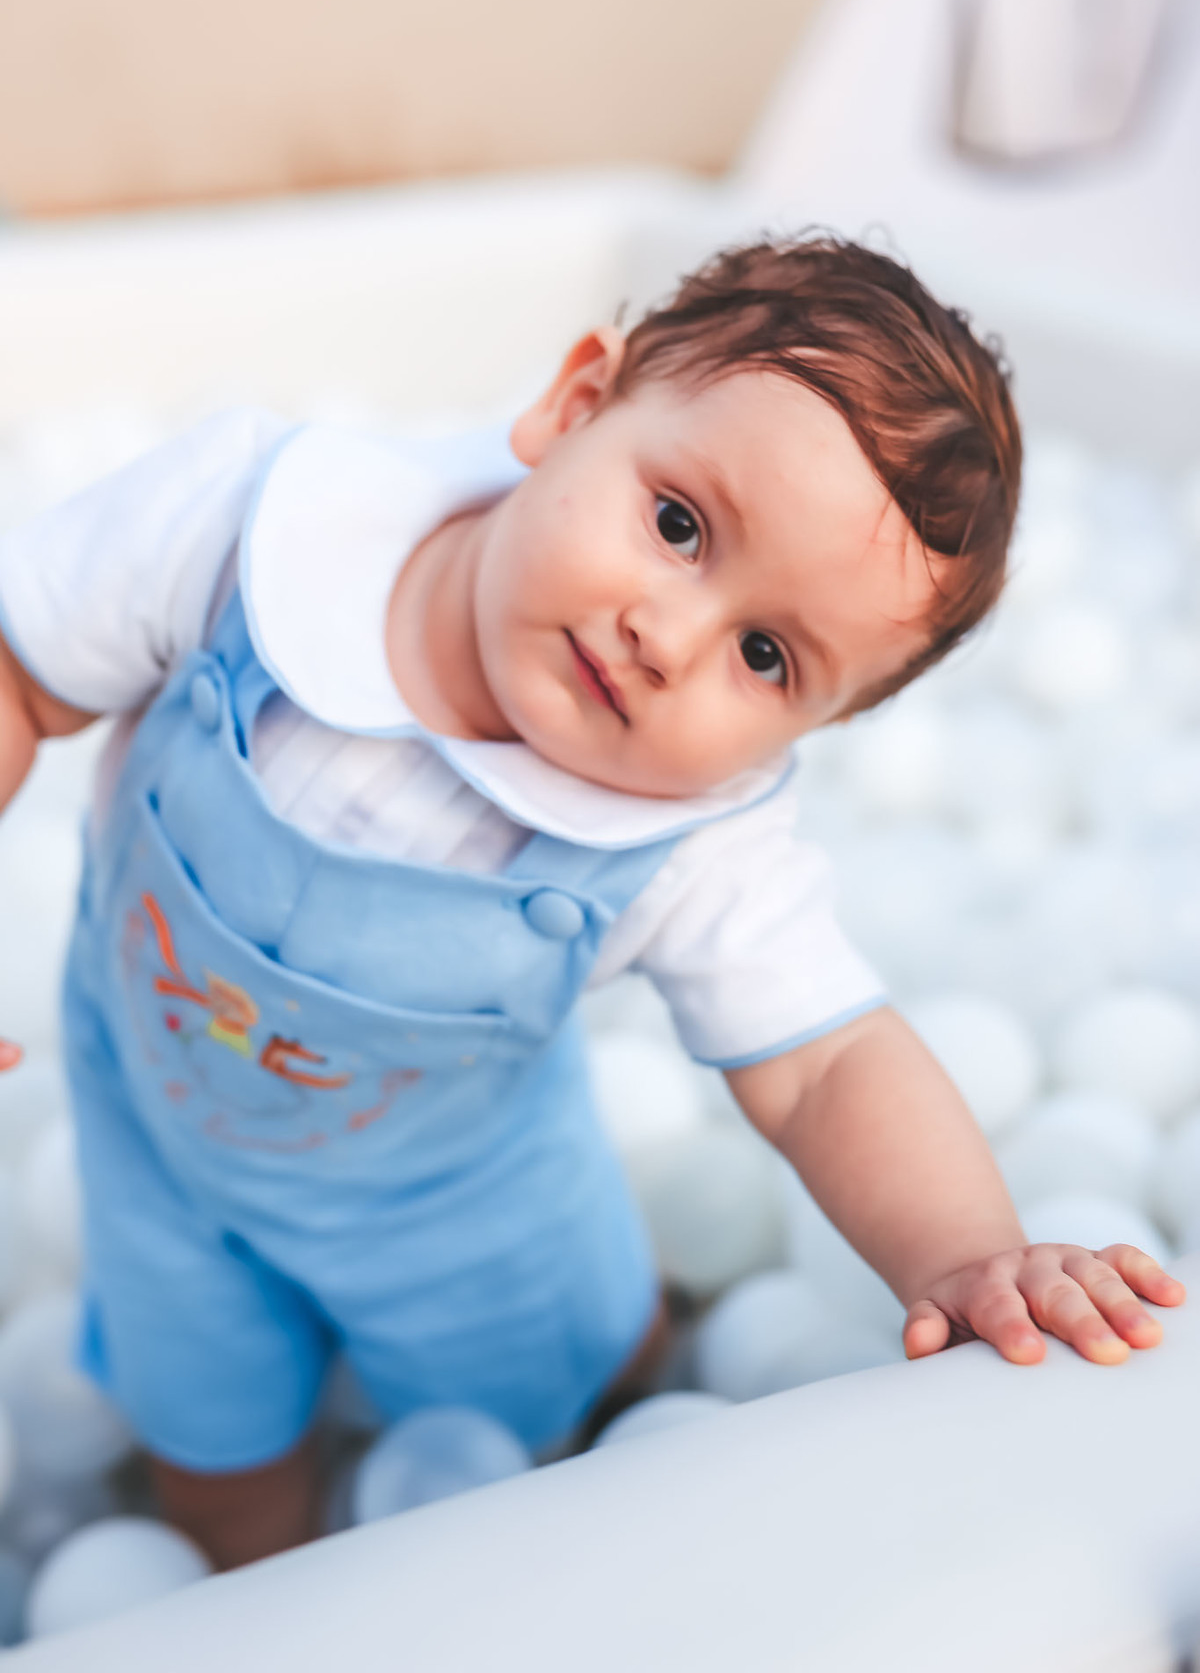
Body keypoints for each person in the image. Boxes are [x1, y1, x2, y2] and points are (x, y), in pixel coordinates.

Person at [0, 237, 1183, 1569]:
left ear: (812, 728)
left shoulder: (690, 840)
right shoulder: (252, 530)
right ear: (574, 410)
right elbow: (19, 673)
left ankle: (635, 1379)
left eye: (766, 655)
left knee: (581, 1439)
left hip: (451, 1193)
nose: (667, 641)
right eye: (678, 525)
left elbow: (830, 1061)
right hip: (157, 1149)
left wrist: (970, 1255)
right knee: (215, 1481)